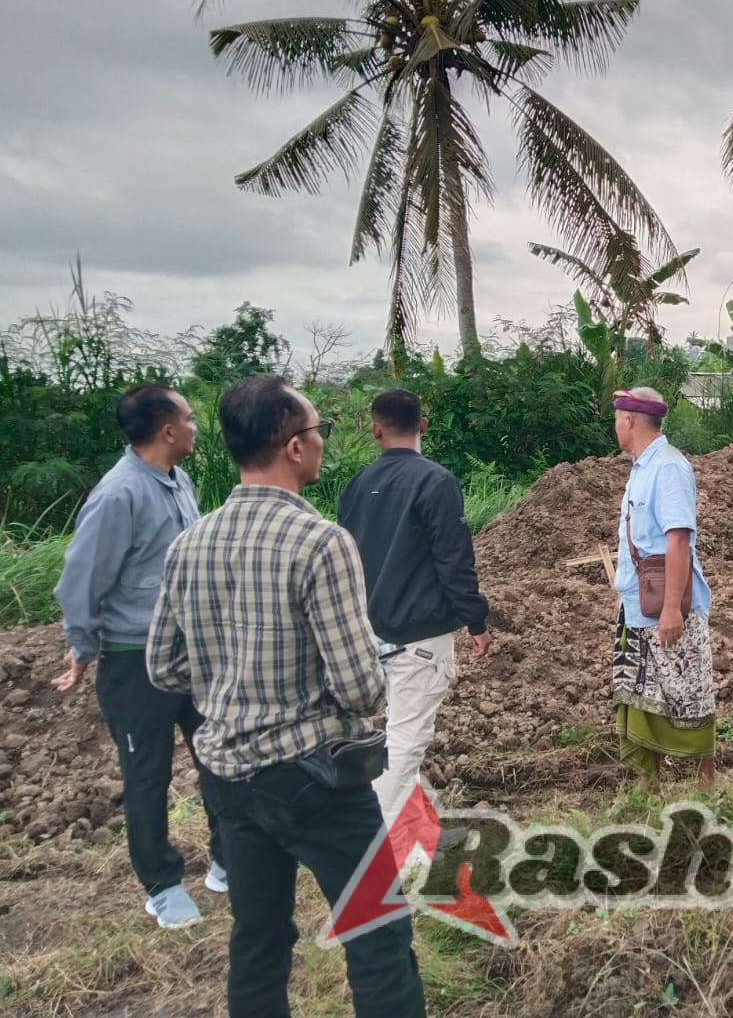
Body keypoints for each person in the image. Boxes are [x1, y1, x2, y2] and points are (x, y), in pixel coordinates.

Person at [147, 376, 426, 1018]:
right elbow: (357, 686)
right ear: (294, 447)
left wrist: (230, 687)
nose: (323, 440)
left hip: (226, 779)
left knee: (258, 937)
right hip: (313, 779)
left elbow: (163, 666)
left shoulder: (189, 545)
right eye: (317, 429)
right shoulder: (321, 543)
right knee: (376, 936)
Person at [50, 383, 225, 929]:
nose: (196, 427)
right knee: (145, 773)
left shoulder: (179, 481)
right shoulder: (118, 495)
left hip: (191, 653)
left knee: (217, 757)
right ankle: (163, 884)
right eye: (190, 419)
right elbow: (80, 580)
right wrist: (81, 648)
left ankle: (227, 860)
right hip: (134, 659)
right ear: (167, 431)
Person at [338, 388, 491, 840]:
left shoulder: (356, 486)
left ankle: (410, 829)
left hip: (368, 630)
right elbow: (454, 560)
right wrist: (476, 620)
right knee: (404, 741)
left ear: (375, 429)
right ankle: (380, 845)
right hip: (421, 635)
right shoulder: (435, 482)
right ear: (423, 426)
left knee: (384, 737)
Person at [609, 386, 716, 787]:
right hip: (638, 603)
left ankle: (705, 785)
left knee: (687, 691)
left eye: (616, 419)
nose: (614, 427)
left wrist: (672, 607)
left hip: (666, 603)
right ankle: (647, 785)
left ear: (630, 420)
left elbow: (678, 541)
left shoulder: (668, 467)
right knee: (642, 695)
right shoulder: (641, 467)